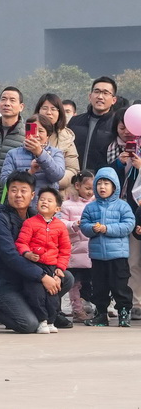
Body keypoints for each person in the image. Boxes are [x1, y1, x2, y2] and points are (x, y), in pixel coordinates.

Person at [0, 171, 74, 334]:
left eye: (24, 190)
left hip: (26, 280)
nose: (18, 195)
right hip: (2, 283)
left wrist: (55, 272)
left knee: (67, 278)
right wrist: (43, 277)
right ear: (8, 193)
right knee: (28, 325)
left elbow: (54, 248)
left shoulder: (36, 216)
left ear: (32, 195)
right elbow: (11, 256)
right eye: (14, 190)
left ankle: (47, 312)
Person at [81, 167, 135, 327]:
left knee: (120, 286)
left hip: (118, 255)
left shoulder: (123, 206)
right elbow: (84, 225)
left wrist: (107, 229)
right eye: (99, 183)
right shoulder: (91, 207)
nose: (102, 187)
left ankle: (124, 312)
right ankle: (101, 314)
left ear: (115, 186)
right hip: (97, 256)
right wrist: (92, 228)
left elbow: (128, 225)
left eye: (106, 183)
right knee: (99, 287)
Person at [15, 188, 71, 333]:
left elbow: (65, 249)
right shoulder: (30, 223)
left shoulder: (60, 226)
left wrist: (60, 268)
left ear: (57, 208)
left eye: (49, 200)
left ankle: (51, 321)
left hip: (51, 266)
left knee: (53, 295)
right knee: (36, 294)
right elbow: (21, 242)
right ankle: (41, 320)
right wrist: (27, 254)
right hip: (34, 265)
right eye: (42, 199)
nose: (44, 202)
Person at [105, 108, 141, 319]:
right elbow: (110, 178)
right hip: (129, 209)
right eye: (123, 127)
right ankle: (136, 302)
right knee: (133, 259)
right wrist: (121, 163)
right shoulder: (116, 148)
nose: (128, 131)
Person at [58, 171, 95, 322]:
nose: (90, 192)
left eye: (93, 188)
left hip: (91, 251)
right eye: (87, 188)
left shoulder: (95, 203)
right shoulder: (67, 204)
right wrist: (74, 224)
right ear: (77, 186)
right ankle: (77, 309)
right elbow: (61, 224)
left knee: (90, 282)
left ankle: (90, 306)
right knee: (75, 283)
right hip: (74, 251)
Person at [0, 115, 66, 196]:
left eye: (41, 131)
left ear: (48, 135)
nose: (36, 135)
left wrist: (40, 153)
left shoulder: (56, 153)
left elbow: (57, 176)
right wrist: (29, 172)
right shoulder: (13, 154)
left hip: (44, 203)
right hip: (20, 202)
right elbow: (5, 181)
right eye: (33, 130)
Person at [69, 77, 119, 172]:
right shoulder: (74, 122)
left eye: (105, 93)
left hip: (103, 182)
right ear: (90, 96)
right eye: (97, 91)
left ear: (114, 100)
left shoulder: (117, 125)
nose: (100, 96)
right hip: (76, 180)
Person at [33, 93, 79, 194]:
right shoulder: (28, 133)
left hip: (55, 194)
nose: (49, 112)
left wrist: (51, 179)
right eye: (45, 108)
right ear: (38, 110)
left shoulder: (66, 138)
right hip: (28, 190)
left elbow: (72, 170)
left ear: (59, 113)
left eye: (53, 109)